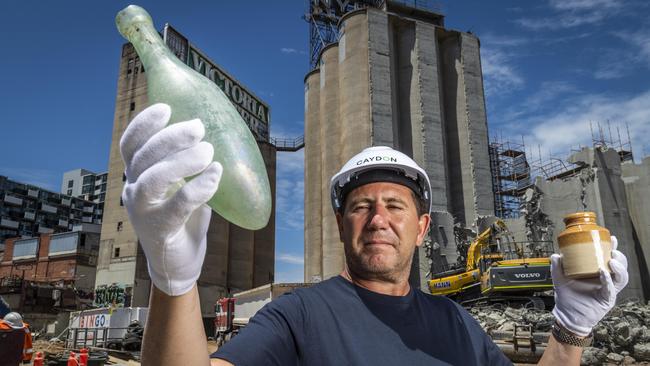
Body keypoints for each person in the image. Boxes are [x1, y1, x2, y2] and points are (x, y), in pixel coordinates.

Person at [120, 104, 629, 365]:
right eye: (361, 207)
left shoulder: (455, 323)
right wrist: (173, 283)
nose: (378, 219)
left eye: (394, 206)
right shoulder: (299, 316)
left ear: (423, 227)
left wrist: (570, 329)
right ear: (342, 224)